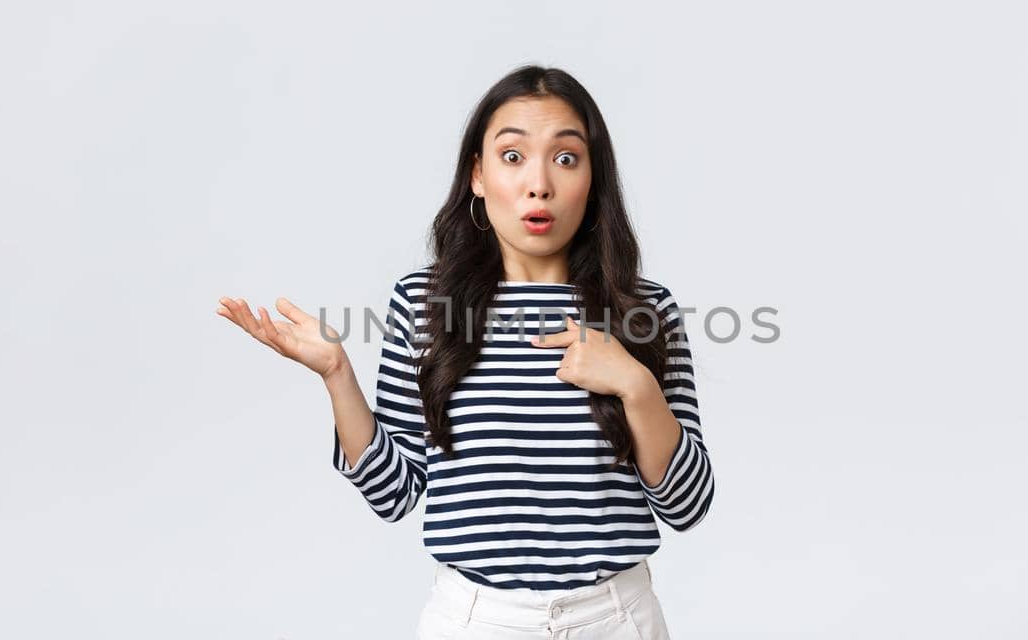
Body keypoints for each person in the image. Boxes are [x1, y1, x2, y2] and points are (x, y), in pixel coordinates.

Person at [216, 65, 714, 639]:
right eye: (512, 156)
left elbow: (687, 505)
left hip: (617, 619)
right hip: (476, 622)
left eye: (566, 158)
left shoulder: (644, 310)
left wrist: (635, 384)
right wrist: (337, 375)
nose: (539, 184)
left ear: (593, 180)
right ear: (477, 175)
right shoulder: (426, 304)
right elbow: (393, 491)